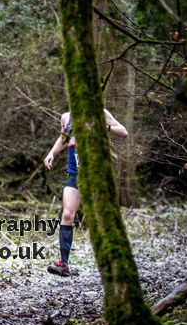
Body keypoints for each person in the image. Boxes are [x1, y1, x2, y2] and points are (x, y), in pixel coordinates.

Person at [44, 109, 127, 277]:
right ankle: (63, 264)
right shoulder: (66, 117)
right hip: (74, 173)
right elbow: (63, 138)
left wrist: (105, 127)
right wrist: (51, 153)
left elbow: (124, 132)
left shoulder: (99, 111)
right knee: (67, 215)